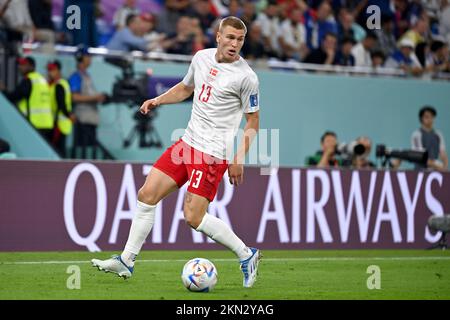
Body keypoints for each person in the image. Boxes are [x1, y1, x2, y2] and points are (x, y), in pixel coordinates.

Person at [92, 16, 262, 288]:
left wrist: (239, 159)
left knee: (193, 218)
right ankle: (126, 260)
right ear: (218, 36)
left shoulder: (247, 78)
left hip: (212, 154)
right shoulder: (201, 58)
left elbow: (253, 121)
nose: (234, 44)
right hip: (187, 144)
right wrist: (157, 100)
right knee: (147, 195)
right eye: (230, 37)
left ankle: (246, 254)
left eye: (240, 39)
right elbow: (186, 88)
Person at [3, 56, 53, 142]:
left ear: (31, 66)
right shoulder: (42, 79)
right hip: (47, 123)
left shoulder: (29, 80)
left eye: (23, 65)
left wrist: (3, 91)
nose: (20, 67)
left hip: (34, 124)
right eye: (20, 64)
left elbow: (15, 96)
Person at [69, 48, 106, 159]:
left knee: (92, 150)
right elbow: (74, 97)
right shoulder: (76, 76)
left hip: (90, 118)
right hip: (82, 118)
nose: (90, 59)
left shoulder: (87, 75)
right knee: (82, 151)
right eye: (88, 56)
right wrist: (95, 98)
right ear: (81, 58)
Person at [47, 60, 74, 158]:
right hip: (60, 122)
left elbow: (61, 103)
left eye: (53, 70)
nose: (50, 72)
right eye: (49, 70)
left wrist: (68, 114)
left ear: (58, 70)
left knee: (59, 150)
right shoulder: (59, 83)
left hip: (59, 123)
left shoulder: (59, 85)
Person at [411, 106, 448, 171]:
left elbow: (443, 153)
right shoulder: (416, 135)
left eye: (432, 117)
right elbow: (420, 156)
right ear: (421, 118)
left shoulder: (438, 134)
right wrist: (437, 165)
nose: (430, 119)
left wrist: (445, 166)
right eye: (427, 117)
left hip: (435, 170)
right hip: (420, 171)